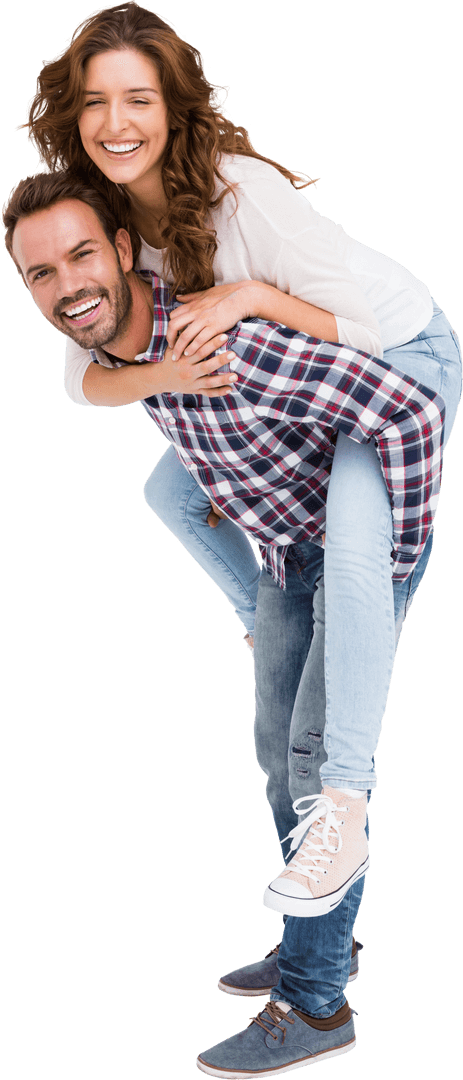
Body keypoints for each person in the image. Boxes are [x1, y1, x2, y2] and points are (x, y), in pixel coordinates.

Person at [3, 171, 460, 1072]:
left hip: (352, 556)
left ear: (126, 250)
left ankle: (318, 1006)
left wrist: (381, 559)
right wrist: (257, 598)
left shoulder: (229, 341)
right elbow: (108, 410)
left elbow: (409, 407)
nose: (66, 284)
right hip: (284, 558)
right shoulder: (127, 361)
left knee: (318, 762)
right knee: (271, 749)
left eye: (82, 253)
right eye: (40, 273)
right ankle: (314, 941)